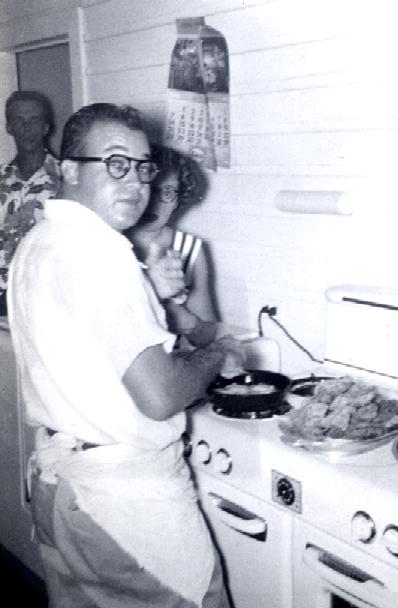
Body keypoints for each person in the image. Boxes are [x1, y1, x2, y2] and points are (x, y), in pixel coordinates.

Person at [7, 102, 244, 608]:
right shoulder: (101, 253)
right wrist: (218, 353)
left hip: (62, 485)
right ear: (69, 170)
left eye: (142, 167)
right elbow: (160, 396)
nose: (135, 182)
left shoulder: (40, 240)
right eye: (115, 163)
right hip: (125, 506)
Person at [128, 145, 218, 347]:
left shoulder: (189, 249)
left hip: (172, 361)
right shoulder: (110, 243)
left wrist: (182, 318)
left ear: (178, 200)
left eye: (168, 192)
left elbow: (207, 337)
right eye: (150, 187)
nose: (155, 202)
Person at [0, 90, 60, 315]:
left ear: (46, 127)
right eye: (19, 120)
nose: (27, 128)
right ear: (9, 127)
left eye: (34, 120)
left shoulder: (66, 179)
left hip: (45, 298)